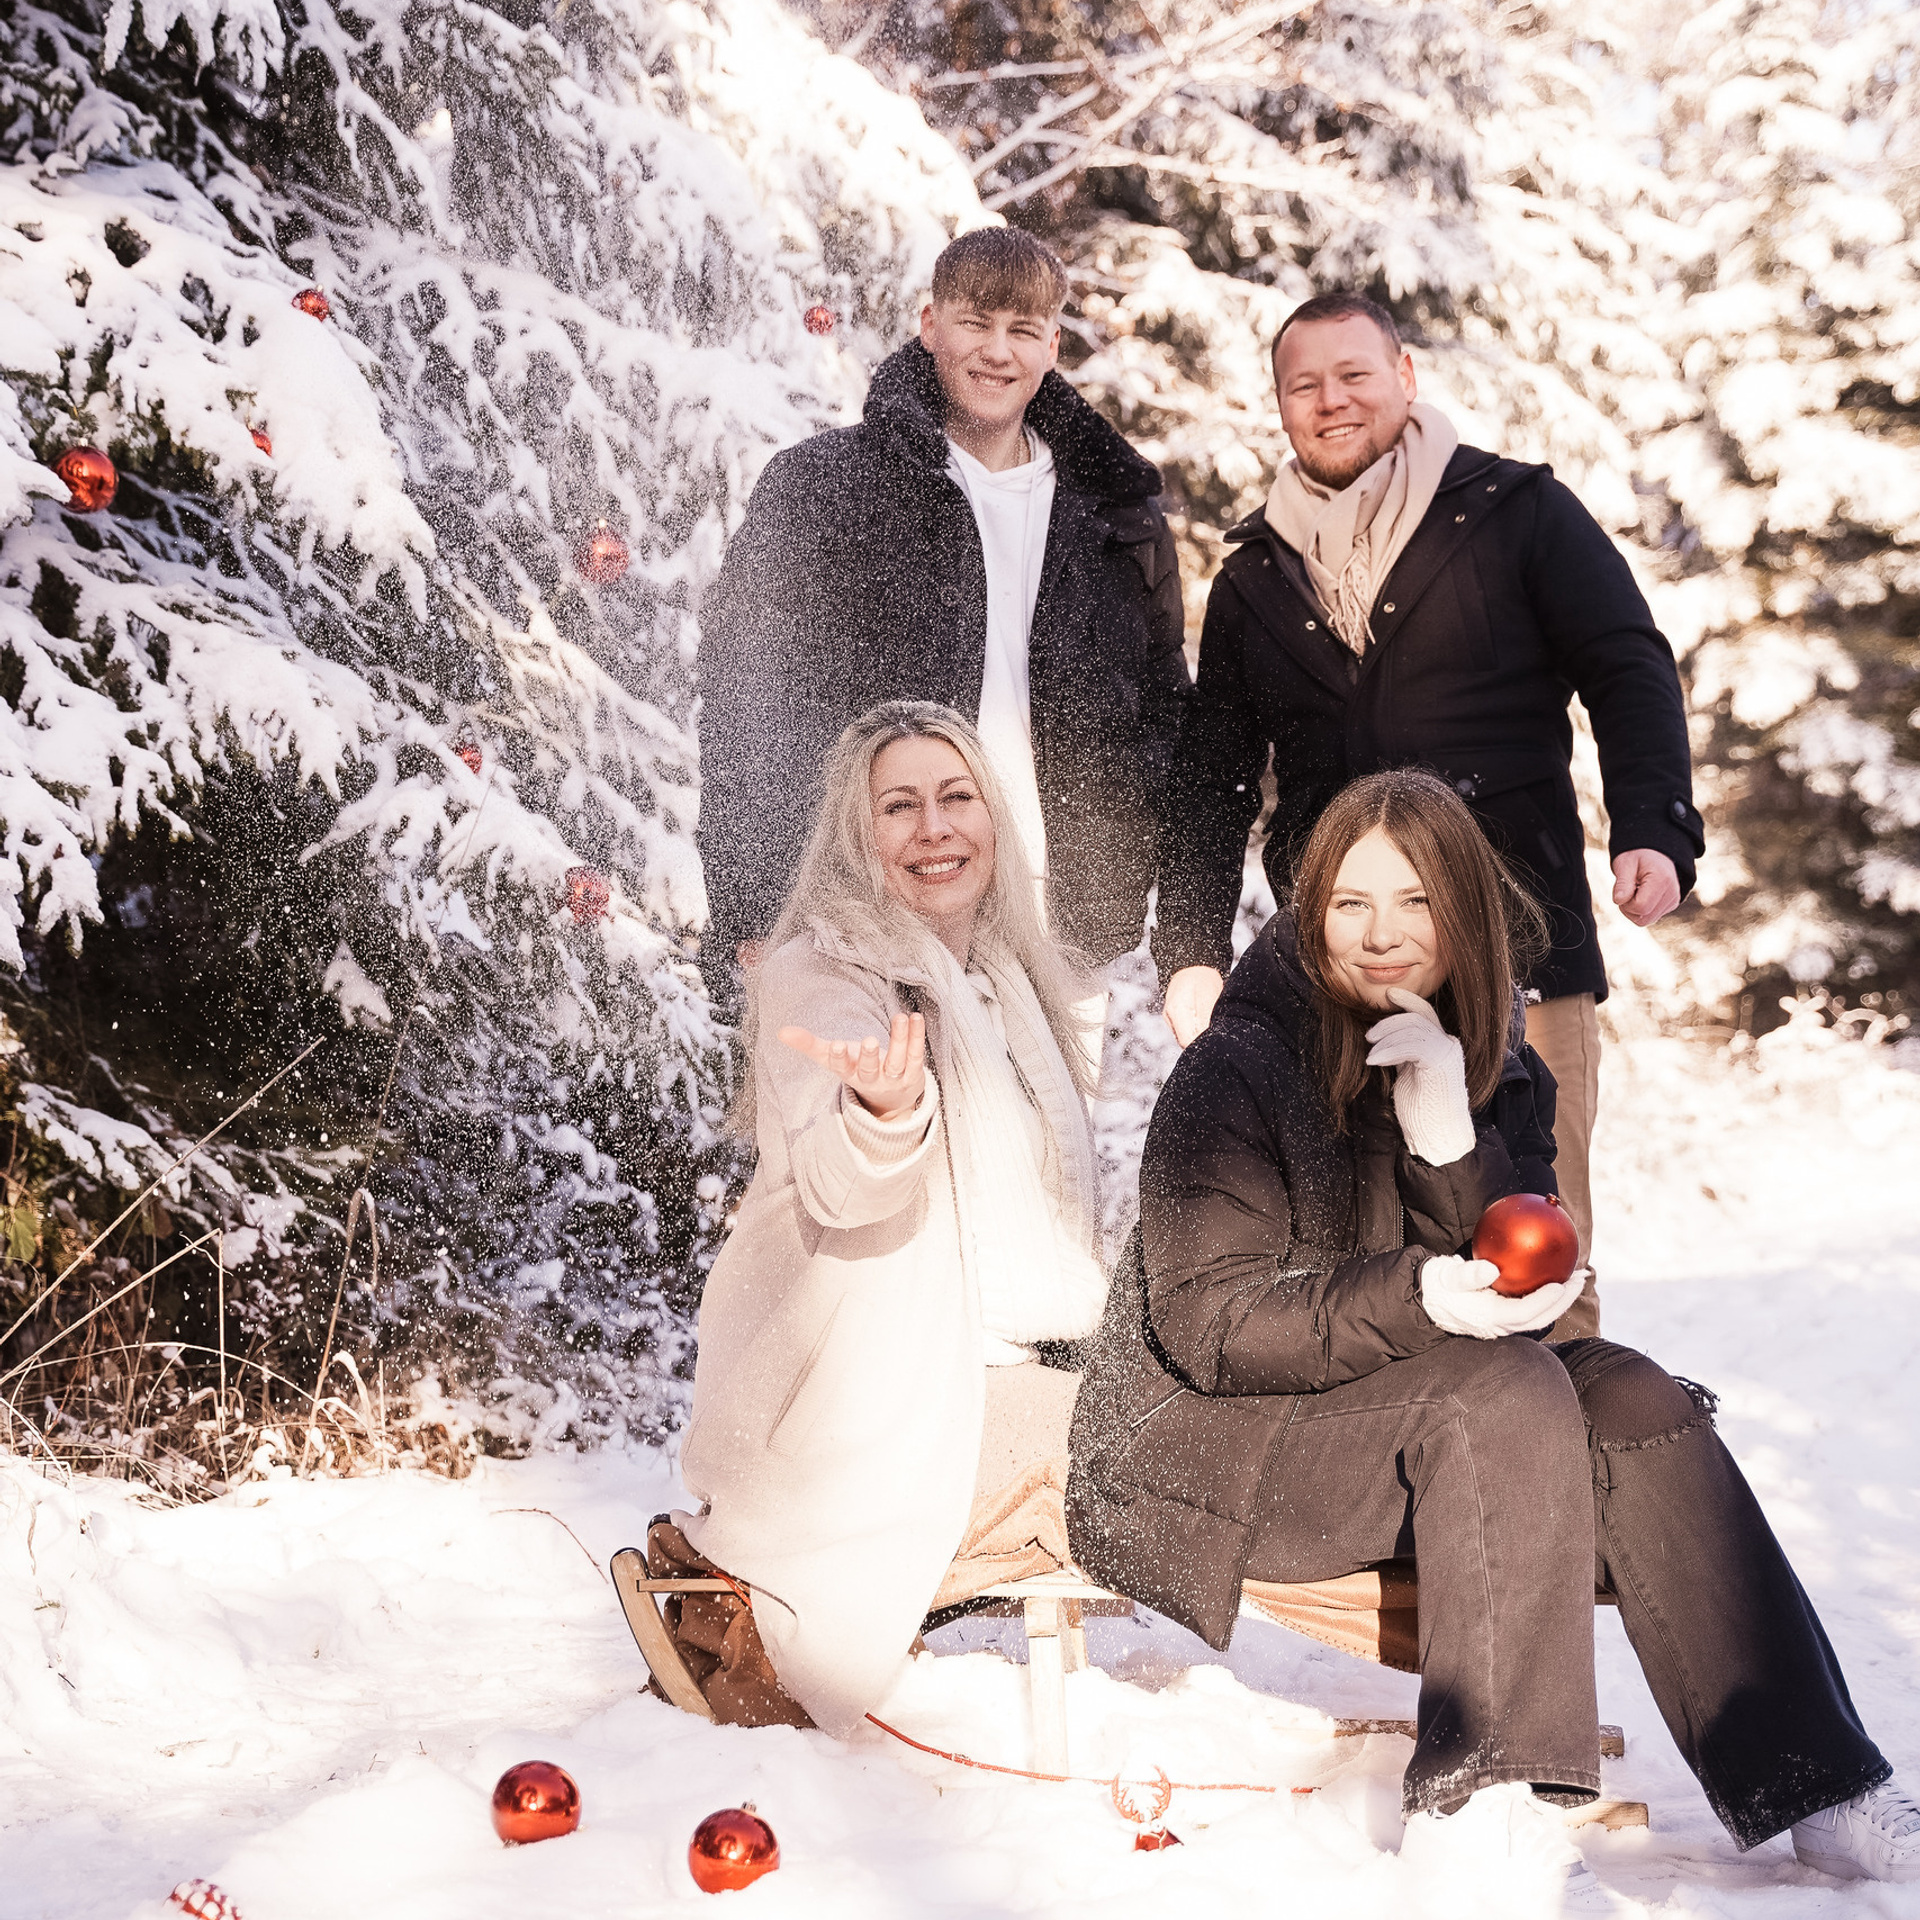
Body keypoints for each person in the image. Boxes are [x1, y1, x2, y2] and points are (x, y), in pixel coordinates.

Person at [1070, 769, 1917, 1902]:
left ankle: (1820, 1787)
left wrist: (1447, 1137)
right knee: (1503, 1394)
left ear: (1463, 912)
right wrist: (1420, 1294)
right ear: (1312, 910)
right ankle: (1477, 1808)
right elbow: (1212, 1326)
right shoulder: (1235, 1071)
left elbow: (1529, 1281)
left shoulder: (1498, 1068)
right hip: (1213, 1449)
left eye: (1416, 903)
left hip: (1392, 1416)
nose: (1382, 936)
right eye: (1351, 903)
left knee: (1633, 1396)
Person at [1154, 290, 1706, 1339]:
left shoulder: (1515, 513)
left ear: (1405, 378)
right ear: (1280, 404)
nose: (1331, 400)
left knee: (1533, 1249)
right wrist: (1189, 946)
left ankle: (1564, 1432)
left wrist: (1655, 825)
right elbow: (1211, 778)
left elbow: (1627, 661)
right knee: (1359, 1258)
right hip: (1336, 970)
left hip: (1517, 944)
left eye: (1354, 374)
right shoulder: (1255, 577)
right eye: (1304, 384)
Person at [663, 701, 1107, 1735]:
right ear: (856, 834)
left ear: (993, 817)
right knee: (1165, 1444)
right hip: (881, 1403)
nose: (934, 828)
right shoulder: (820, 974)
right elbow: (842, 1182)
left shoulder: (1004, 979)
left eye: (956, 798)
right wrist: (885, 1108)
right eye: (898, 806)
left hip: (1002, 1362)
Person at [696, 227, 1187, 1018]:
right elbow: (747, 705)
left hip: (1060, 929)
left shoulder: (1117, 515)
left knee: (1049, 1107)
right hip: (868, 917)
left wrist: (1125, 879)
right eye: (975, 323)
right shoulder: (824, 489)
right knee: (882, 1102)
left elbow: (1164, 715)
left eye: (1022, 330)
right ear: (930, 326)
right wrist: (754, 912)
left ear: (1052, 346)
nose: (998, 351)